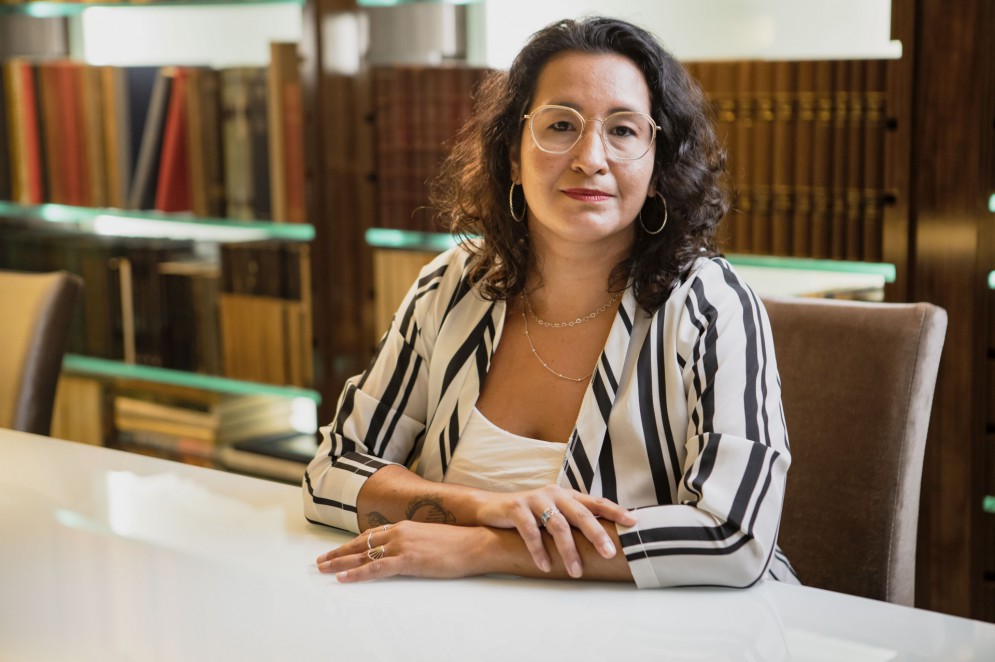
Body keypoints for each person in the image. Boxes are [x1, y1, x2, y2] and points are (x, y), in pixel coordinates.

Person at [305, 15, 797, 589]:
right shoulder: (449, 287)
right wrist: (479, 505)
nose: (590, 157)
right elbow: (331, 474)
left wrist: (483, 548)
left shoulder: (712, 304)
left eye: (624, 130)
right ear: (513, 155)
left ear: (658, 166)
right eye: (561, 125)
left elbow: (735, 535)